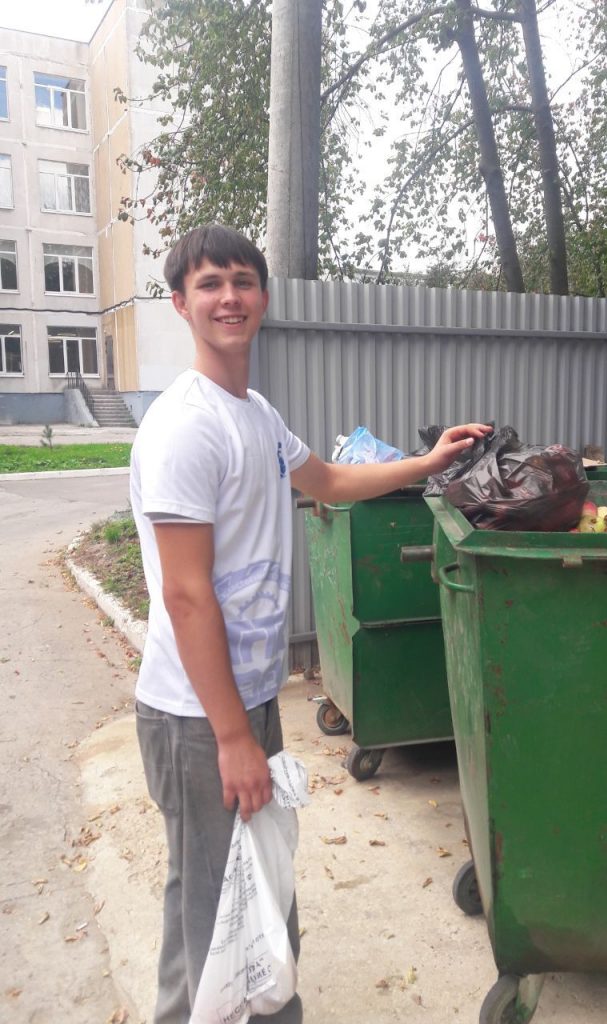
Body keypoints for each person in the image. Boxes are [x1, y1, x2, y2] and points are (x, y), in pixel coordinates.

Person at [129, 223, 491, 1024]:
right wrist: (233, 737)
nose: (230, 297)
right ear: (181, 303)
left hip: (242, 698)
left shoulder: (254, 412)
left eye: (243, 281)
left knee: (231, 892)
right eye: (210, 283)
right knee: (218, 916)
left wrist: (430, 464)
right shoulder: (185, 425)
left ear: (264, 296)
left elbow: (325, 480)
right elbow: (185, 595)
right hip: (197, 714)